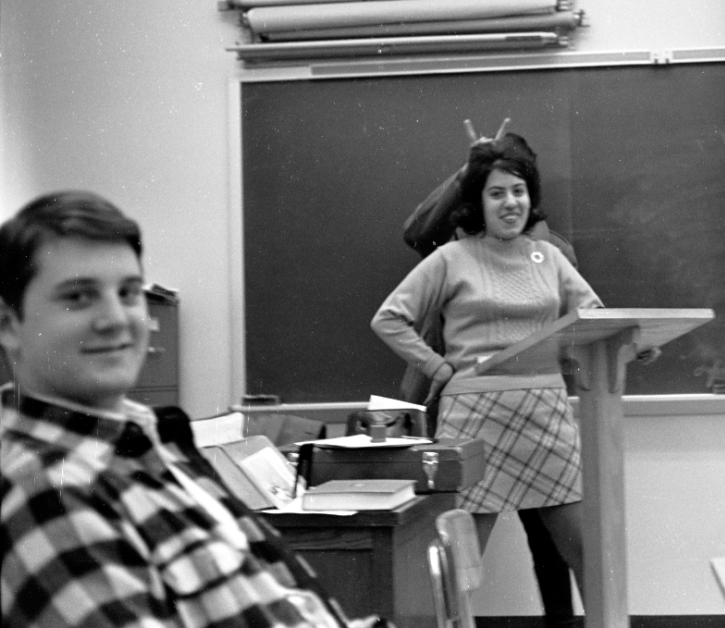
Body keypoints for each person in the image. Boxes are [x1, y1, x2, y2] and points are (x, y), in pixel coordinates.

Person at [0, 191, 375, 628]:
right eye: (79, 297)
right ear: (8, 324)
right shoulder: (48, 490)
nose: (116, 319)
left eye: (128, 292)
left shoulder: (144, 442)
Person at [371, 131, 601, 619]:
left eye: (518, 191)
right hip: (474, 421)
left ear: (531, 197)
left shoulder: (550, 256)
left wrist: (631, 343)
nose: (510, 202)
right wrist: (438, 366)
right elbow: (389, 318)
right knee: (460, 566)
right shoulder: (451, 257)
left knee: (585, 553)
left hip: (546, 421)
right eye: (496, 193)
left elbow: (593, 316)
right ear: (477, 201)